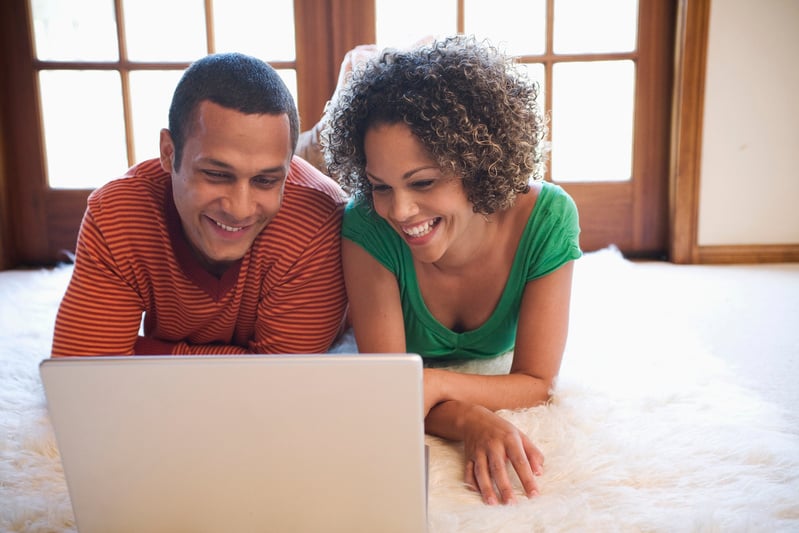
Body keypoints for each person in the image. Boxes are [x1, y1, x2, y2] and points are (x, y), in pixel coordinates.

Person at [323, 36, 582, 505]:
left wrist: (437, 382)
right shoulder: (366, 221)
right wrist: (468, 418)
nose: (399, 211)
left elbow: (538, 382)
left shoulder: (547, 217)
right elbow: (391, 388)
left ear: (479, 165)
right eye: (381, 185)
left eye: (423, 182)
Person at [51, 52, 348, 357]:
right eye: (216, 174)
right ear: (168, 153)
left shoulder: (318, 219)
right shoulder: (115, 216)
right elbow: (82, 369)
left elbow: (279, 386)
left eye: (265, 180)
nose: (240, 208)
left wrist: (141, 352)